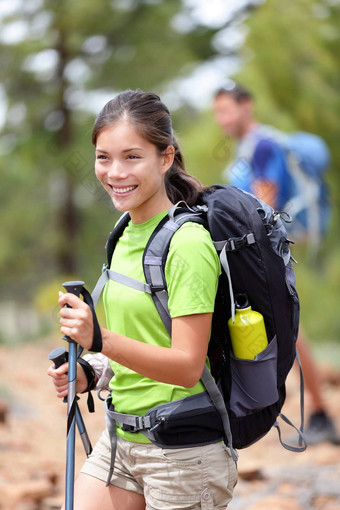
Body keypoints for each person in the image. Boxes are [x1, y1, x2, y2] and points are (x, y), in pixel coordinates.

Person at [48, 89, 238, 510]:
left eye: (132, 157)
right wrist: (91, 371)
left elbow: (187, 367)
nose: (115, 172)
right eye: (103, 157)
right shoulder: (123, 234)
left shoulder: (187, 243)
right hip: (119, 439)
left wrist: (100, 340)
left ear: (166, 158)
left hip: (182, 454)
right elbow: (137, 341)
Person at [213, 82, 340, 446]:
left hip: (271, 252)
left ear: (246, 106)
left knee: (292, 331)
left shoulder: (263, 145)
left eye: (226, 110)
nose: (221, 119)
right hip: (264, 251)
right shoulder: (249, 147)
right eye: (217, 112)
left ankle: (318, 413)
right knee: (286, 330)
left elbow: (263, 204)